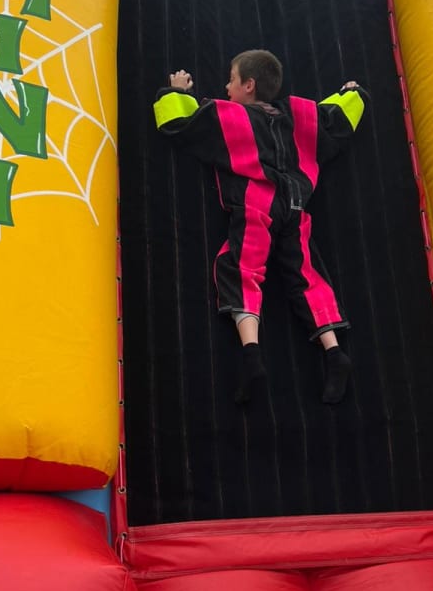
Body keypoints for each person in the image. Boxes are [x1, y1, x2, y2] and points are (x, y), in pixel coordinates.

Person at [153, 49, 368, 404]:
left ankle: (251, 357)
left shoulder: (229, 116)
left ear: (249, 85)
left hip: (257, 204)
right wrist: (352, 93)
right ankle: (334, 353)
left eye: (231, 80)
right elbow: (336, 118)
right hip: (296, 207)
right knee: (306, 275)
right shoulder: (299, 115)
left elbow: (179, 123)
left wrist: (176, 91)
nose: (226, 87)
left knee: (239, 268)